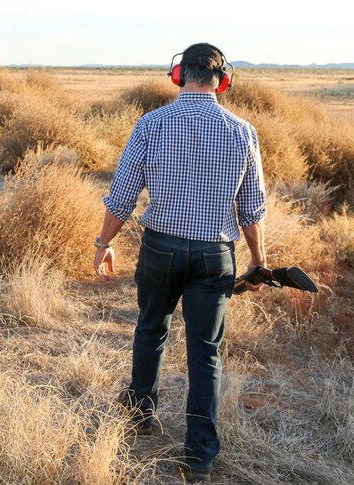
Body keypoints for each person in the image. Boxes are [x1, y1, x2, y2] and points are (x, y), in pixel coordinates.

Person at [92, 43, 267, 482]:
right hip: (216, 255)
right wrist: (259, 261)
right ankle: (199, 457)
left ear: (177, 75)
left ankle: (139, 418)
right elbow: (252, 209)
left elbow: (123, 194)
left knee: (151, 329)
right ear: (222, 80)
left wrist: (103, 242)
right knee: (205, 354)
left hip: (161, 249)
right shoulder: (243, 130)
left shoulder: (152, 123)